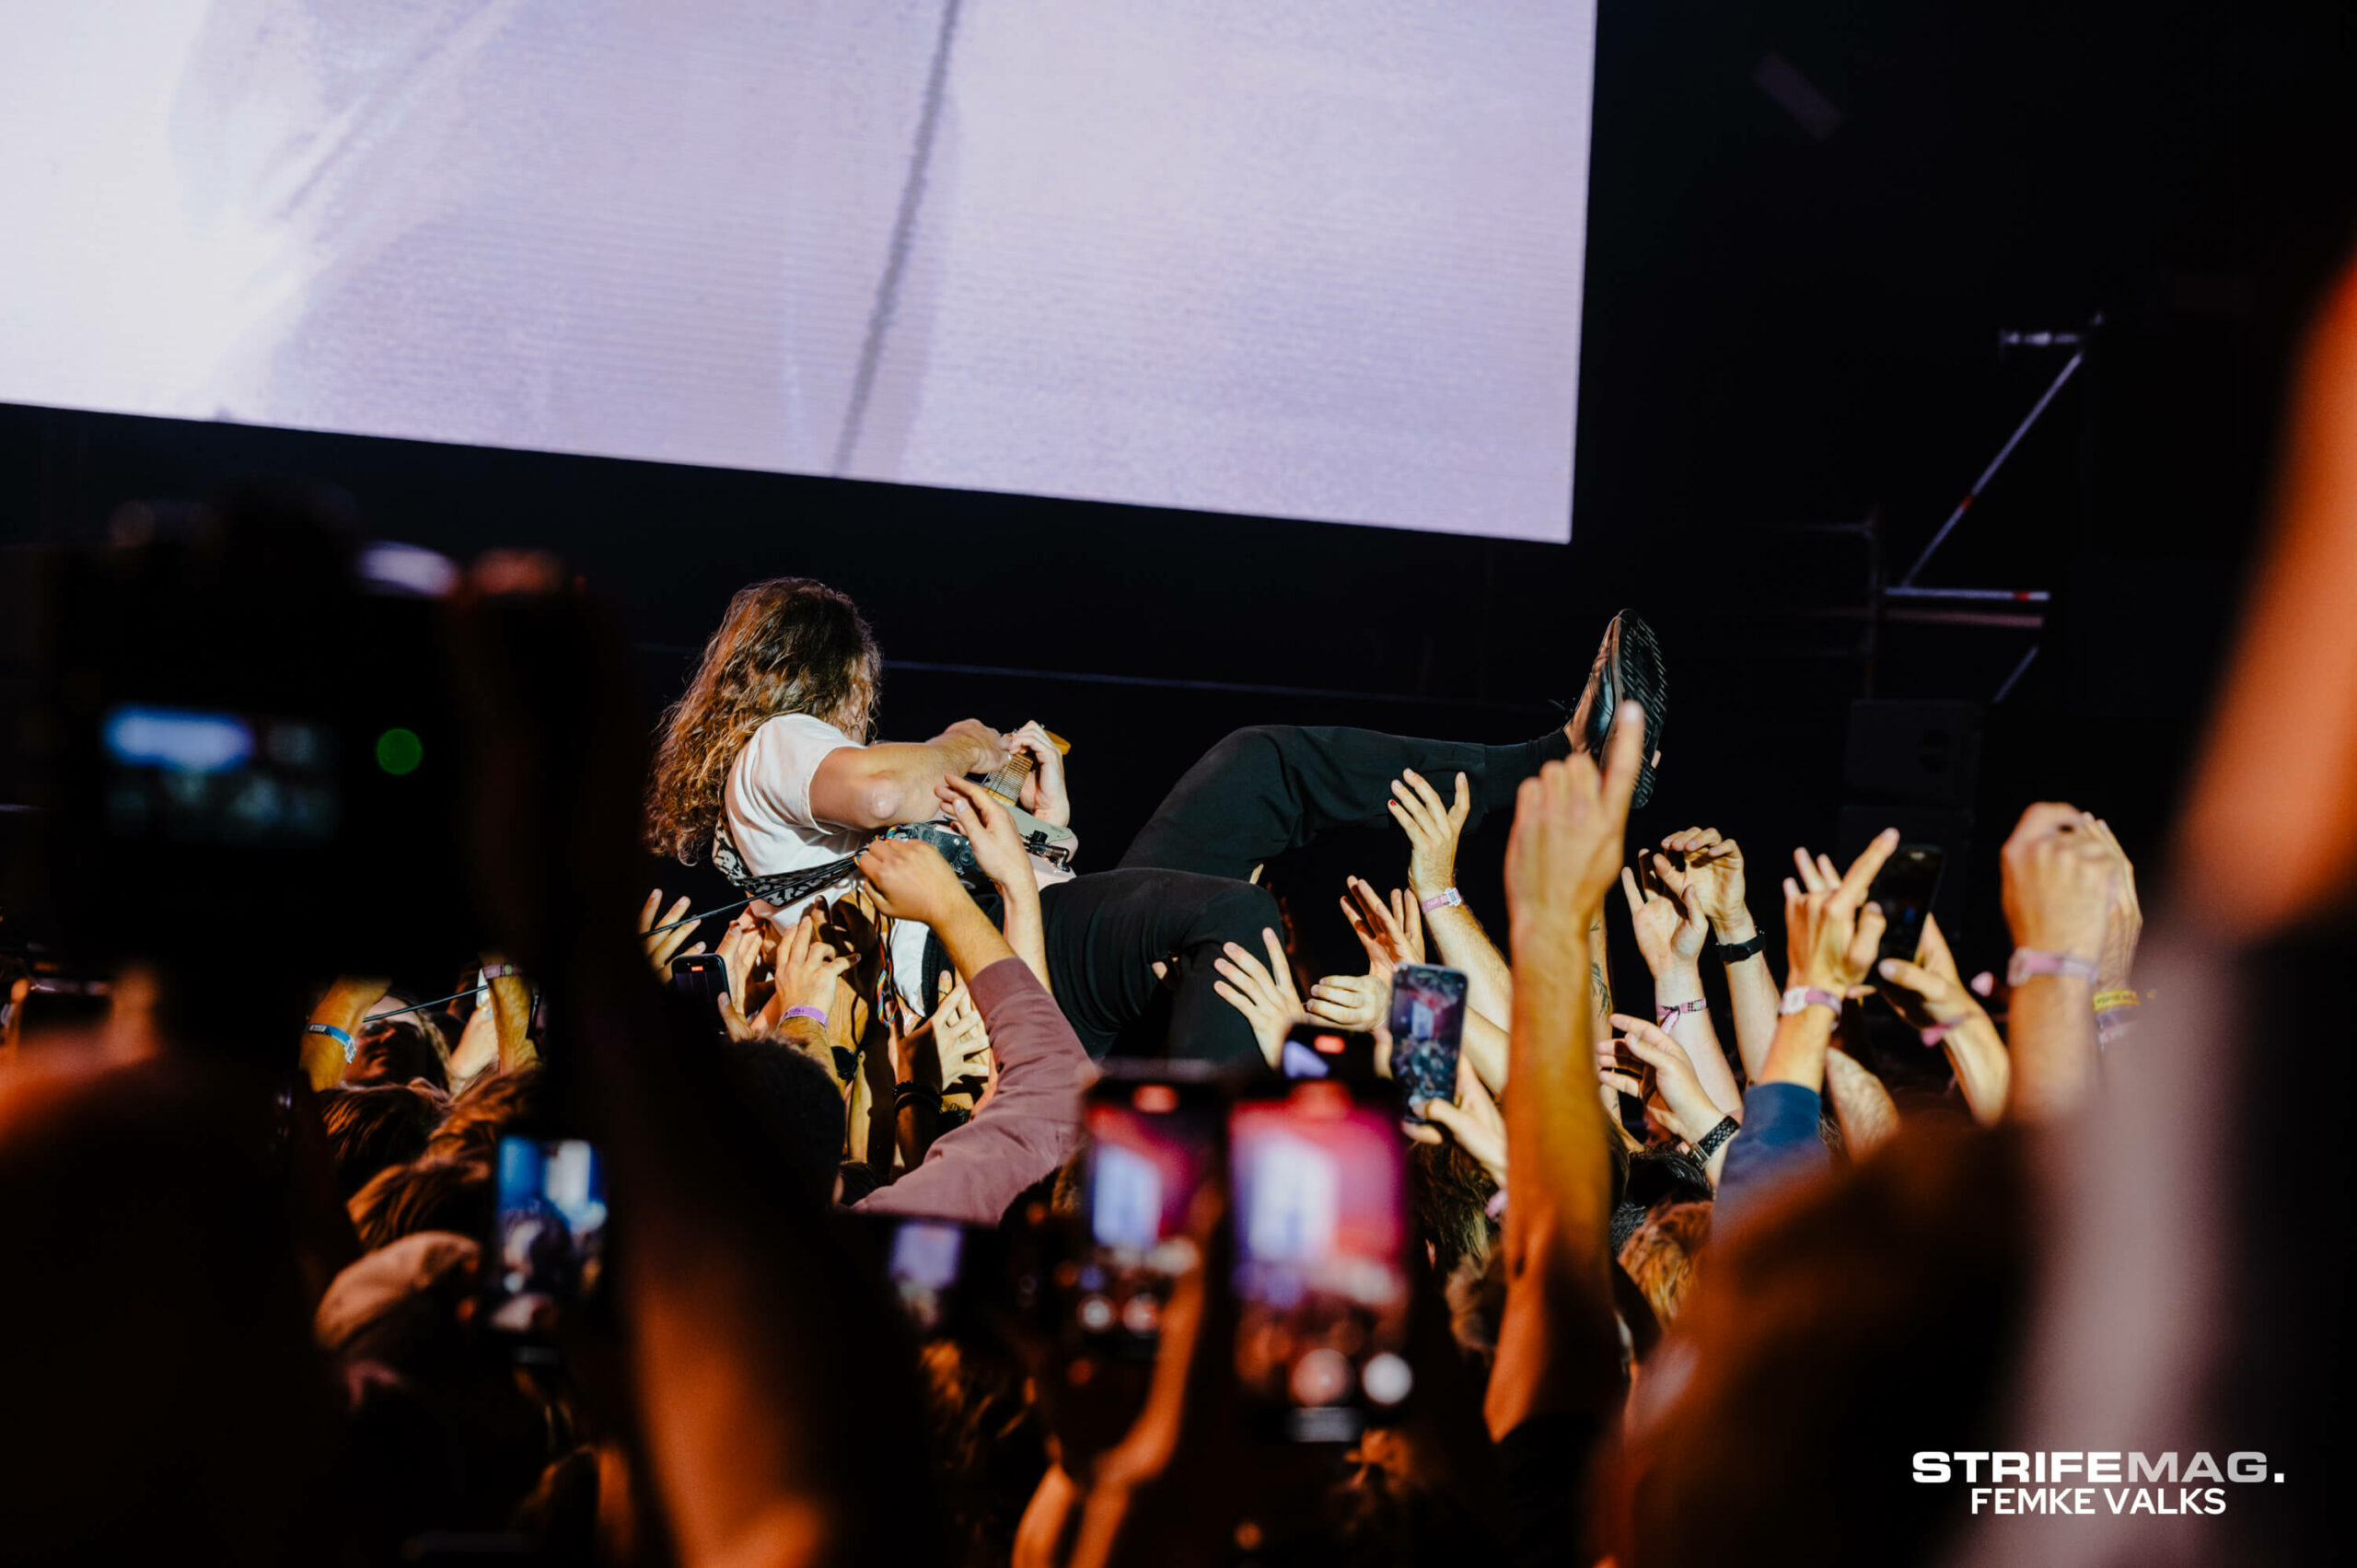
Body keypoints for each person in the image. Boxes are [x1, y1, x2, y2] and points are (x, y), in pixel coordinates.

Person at [644, 577, 1667, 1067]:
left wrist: (1045, 827)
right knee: (1234, 919)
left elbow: (980, 858)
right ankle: (1194, 1200)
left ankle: (1549, 762)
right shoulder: (779, 744)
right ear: (826, 676)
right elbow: (879, 793)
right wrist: (967, 745)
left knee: (1255, 764)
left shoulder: (797, 774)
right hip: (997, 979)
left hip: (1040, 941)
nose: (865, 714)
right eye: (861, 694)